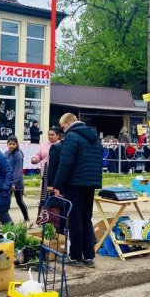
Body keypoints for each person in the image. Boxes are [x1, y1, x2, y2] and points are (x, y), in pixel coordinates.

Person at [52, 113, 103, 268]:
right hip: (91, 183)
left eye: (62, 127)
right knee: (86, 219)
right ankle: (89, 256)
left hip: (75, 184)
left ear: (68, 122)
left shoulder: (72, 136)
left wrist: (58, 185)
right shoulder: (93, 136)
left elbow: (65, 163)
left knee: (75, 220)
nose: (63, 131)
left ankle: (75, 257)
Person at [31, 126, 61, 208]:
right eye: (49, 134)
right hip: (45, 173)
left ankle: (54, 211)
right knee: (44, 193)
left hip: (55, 173)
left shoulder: (60, 145)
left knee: (53, 193)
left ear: (58, 136)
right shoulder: (44, 145)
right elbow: (38, 155)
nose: (50, 136)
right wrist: (35, 159)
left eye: (52, 135)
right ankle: (44, 210)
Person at [6, 135, 29, 223]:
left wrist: (14, 183)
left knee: (19, 200)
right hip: (8, 181)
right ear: (7, 144)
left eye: (13, 144)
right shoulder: (6, 153)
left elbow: (18, 170)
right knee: (6, 201)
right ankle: (6, 220)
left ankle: (27, 219)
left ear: (17, 144)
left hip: (17, 182)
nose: (11, 146)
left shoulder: (18, 154)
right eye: (10, 144)